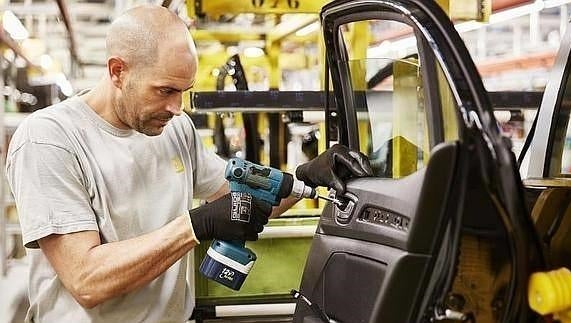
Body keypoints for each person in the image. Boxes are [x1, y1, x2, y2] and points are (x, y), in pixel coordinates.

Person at [5, 5, 373, 323]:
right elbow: (87, 279)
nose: (177, 107)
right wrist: (195, 225)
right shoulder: (50, 139)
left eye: (183, 91)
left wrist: (304, 179)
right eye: (165, 90)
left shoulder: (175, 128)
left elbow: (239, 200)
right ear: (118, 71)